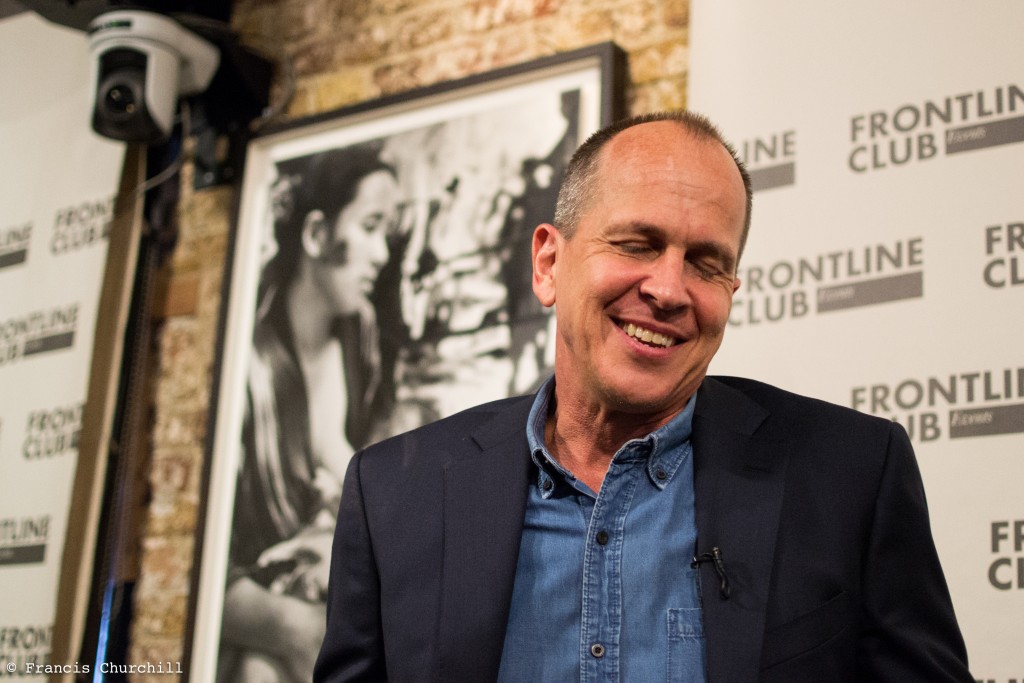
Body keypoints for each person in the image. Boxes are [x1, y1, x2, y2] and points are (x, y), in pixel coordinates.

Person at [313, 112, 972, 682]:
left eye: (706, 263)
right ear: (548, 264)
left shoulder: (851, 474)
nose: (669, 289)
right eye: (636, 244)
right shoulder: (394, 493)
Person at [219, 143, 399, 683]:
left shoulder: (360, 337)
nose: (381, 254)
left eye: (387, 233)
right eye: (370, 227)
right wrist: (289, 626)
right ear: (318, 234)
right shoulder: (251, 371)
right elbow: (204, 565)